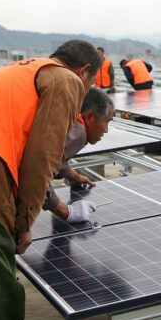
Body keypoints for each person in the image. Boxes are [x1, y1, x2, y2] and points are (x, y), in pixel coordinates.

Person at [0, 40, 101, 320]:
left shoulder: (23, 69)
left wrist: (69, 174)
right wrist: (24, 221)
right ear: (84, 70)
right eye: (90, 84)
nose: (85, 92)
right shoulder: (66, 80)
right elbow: (42, 156)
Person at [43, 88, 114, 222]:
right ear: (90, 117)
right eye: (107, 121)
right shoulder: (78, 134)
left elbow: (54, 157)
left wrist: (72, 176)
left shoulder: (69, 121)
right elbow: (35, 174)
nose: (106, 130)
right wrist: (66, 211)